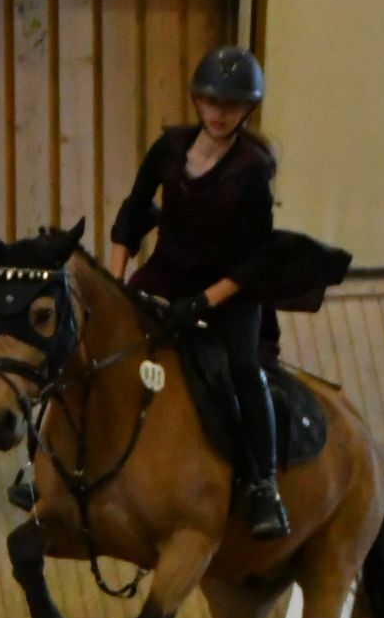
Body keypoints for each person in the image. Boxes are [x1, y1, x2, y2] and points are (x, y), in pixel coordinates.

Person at [107, 45, 292, 540]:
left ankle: (264, 486)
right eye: (211, 101)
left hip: (231, 290)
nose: (218, 113)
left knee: (243, 369)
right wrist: (115, 282)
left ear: (247, 109)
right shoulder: (170, 148)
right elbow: (133, 211)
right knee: (103, 340)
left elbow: (256, 260)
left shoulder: (252, 167)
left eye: (230, 105)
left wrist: (204, 302)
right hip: (167, 273)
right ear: (197, 99)